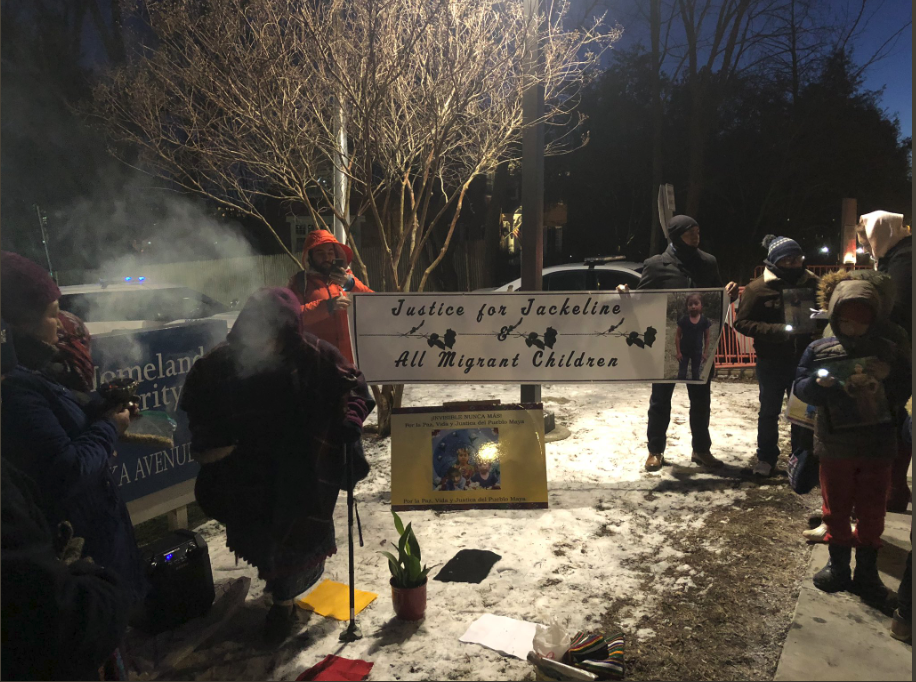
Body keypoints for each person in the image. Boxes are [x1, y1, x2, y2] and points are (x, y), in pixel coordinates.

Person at [179, 287, 374, 643]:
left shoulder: (312, 353)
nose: (267, 341)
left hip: (299, 468)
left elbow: (355, 385)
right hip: (245, 470)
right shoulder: (221, 362)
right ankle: (278, 590)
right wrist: (211, 439)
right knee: (259, 537)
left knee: (294, 541)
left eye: (276, 333)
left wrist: (351, 417)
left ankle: (283, 604)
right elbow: (196, 400)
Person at [0, 252, 147, 603]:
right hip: (78, 537)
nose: (61, 324)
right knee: (107, 610)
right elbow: (67, 468)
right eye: (53, 314)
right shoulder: (16, 387)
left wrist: (101, 405)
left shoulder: (39, 370)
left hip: (95, 525)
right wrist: (110, 426)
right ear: (20, 322)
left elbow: (63, 418)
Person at [794, 271, 911, 604]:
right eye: (846, 320)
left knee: (872, 508)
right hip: (835, 444)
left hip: (877, 444)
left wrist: (889, 376)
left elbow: (905, 387)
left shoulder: (889, 349)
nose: (853, 328)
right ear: (835, 315)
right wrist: (817, 385)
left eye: (861, 321)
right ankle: (838, 566)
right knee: (836, 506)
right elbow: (800, 387)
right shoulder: (819, 348)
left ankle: (867, 572)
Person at [632, 215, 739, 471]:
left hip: (700, 343)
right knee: (660, 401)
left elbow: (717, 298)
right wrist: (626, 294)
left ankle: (701, 450)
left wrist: (730, 295)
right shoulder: (656, 265)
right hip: (667, 343)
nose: (695, 236)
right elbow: (640, 301)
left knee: (701, 401)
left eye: (697, 232)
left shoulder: (708, 262)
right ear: (676, 235)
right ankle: (655, 450)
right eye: (690, 232)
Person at [734, 235, 821, 478]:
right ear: (774, 261)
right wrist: (778, 331)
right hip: (771, 360)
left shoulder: (814, 283)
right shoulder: (757, 288)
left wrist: (819, 326)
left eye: (797, 258)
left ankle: (800, 458)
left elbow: (827, 313)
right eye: (787, 260)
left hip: (804, 360)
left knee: (802, 413)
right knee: (769, 411)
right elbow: (742, 322)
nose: (794, 263)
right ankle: (766, 457)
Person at [857, 210, 912, 512]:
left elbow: (898, 307)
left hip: (900, 352)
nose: (866, 249)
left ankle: (893, 489)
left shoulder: (905, 260)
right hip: (898, 348)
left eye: (867, 243)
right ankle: (893, 487)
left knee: (891, 420)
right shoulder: (896, 256)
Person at [287, 229, 373, 364]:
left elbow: (373, 302)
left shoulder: (347, 279)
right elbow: (292, 317)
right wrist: (327, 306)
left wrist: (351, 284)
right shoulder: (300, 283)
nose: (326, 258)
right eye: (320, 253)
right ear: (310, 256)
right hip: (317, 362)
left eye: (330, 252)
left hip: (349, 362)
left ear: (337, 254)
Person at [676, 293, 711, 381]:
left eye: (696, 303)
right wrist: (678, 352)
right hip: (684, 352)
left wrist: (705, 353)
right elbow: (678, 336)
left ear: (701, 305)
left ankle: (695, 388)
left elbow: (707, 337)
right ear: (687, 306)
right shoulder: (683, 320)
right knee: (682, 373)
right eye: (690, 304)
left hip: (697, 352)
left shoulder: (704, 321)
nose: (693, 306)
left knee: (696, 373)